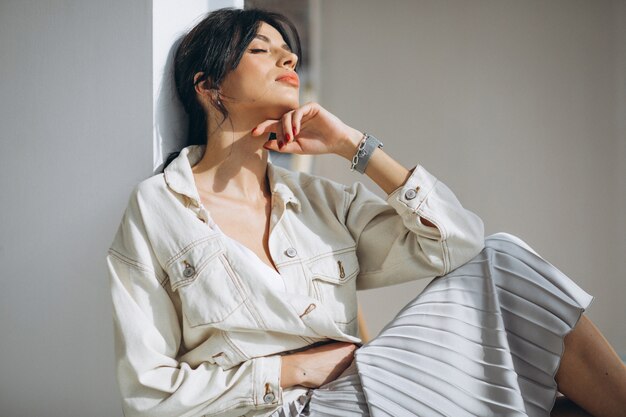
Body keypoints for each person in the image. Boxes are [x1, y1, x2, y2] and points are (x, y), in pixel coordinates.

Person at [106, 7, 626, 417]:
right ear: (209, 86)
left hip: (354, 395)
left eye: (290, 53)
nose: (288, 61)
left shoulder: (320, 202)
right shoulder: (159, 209)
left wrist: (352, 146)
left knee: (503, 266)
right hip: (274, 409)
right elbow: (148, 396)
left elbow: (457, 244)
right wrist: (293, 371)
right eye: (262, 50)